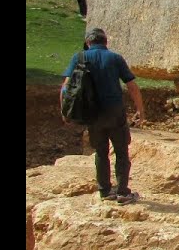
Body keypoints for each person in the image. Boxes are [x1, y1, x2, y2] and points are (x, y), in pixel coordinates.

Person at [60, 27, 145, 204]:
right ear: (105, 42)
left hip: (92, 112)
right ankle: (122, 192)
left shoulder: (79, 57)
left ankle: (105, 191)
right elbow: (132, 86)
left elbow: (66, 87)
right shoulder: (115, 58)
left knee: (101, 152)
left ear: (88, 42)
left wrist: (65, 111)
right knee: (121, 152)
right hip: (115, 111)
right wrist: (140, 109)